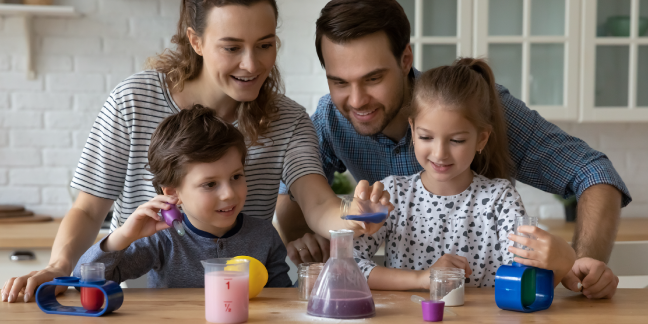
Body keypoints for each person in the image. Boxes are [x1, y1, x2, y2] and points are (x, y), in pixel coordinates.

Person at [1, 0, 390, 303]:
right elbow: (88, 209)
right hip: (138, 299)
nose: (252, 64)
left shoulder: (287, 119)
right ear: (196, 40)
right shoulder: (133, 101)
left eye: (265, 45)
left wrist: (354, 217)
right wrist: (58, 267)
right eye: (232, 47)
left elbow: (318, 204)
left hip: (242, 304)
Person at [278, 0, 626, 299]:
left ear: (405, 59)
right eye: (339, 82)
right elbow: (296, 199)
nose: (356, 101)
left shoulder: (475, 106)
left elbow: (593, 173)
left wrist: (581, 273)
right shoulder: (330, 119)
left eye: (373, 78)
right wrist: (304, 240)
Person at [353, 58, 576, 290]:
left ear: (481, 138)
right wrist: (423, 279)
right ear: (412, 128)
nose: (439, 154)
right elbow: (349, 265)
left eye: (457, 140)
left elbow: (527, 283)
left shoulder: (499, 199)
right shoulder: (393, 195)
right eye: (426, 137)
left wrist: (564, 260)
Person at [73, 105, 292, 288]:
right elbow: (83, 282)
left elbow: (281, 301)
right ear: (173, 193)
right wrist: (122, 237)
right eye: (210, 184)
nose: (229, 194)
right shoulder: (162, 239)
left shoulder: (264, 236)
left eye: (236, 176)